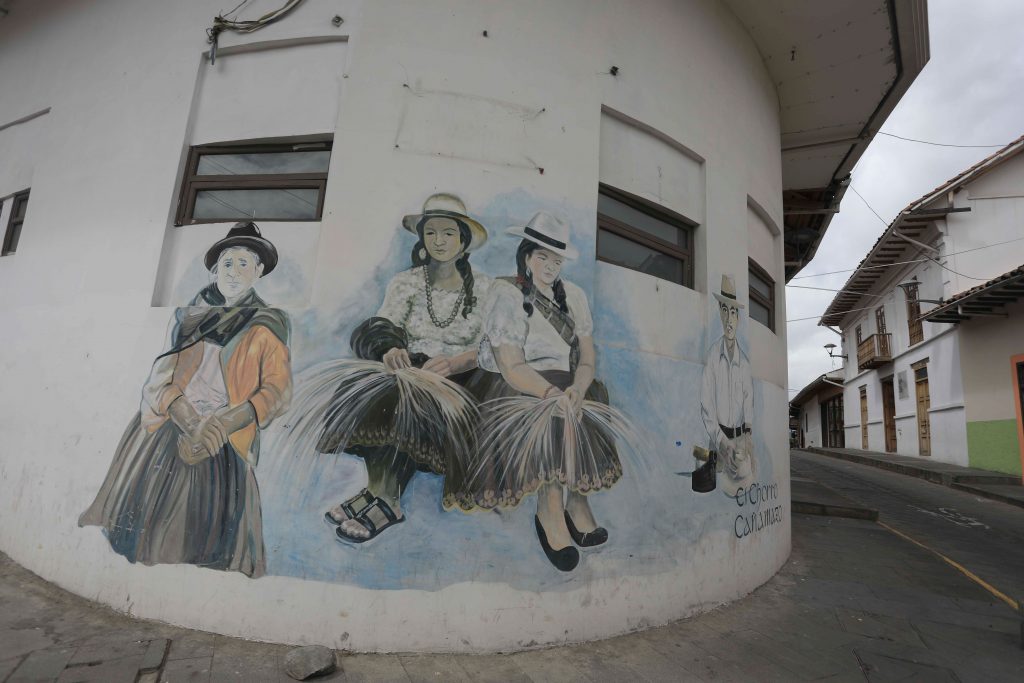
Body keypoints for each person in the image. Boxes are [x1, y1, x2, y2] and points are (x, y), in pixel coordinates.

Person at [80, 222, 291, 578]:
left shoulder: (268, 325)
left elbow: (276, 392)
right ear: (214, 270)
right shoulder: (187, 317)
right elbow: (160, 379)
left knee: (210, 533)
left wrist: (220, 426)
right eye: (227, 263)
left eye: (244, 264)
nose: (234, 272)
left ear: (258, 272)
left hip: (224, 440)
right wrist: (191, 423)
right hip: (173, 427)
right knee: (148, 524)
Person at [452, 212, 623, 572]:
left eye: (555, 259)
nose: (549, 265)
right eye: (541, 256)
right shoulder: (507, 293)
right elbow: (512, 365)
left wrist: (578, 386)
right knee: (552, 417)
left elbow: (587, 356)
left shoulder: (573, 296)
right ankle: (550, 510)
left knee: (594, 398)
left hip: (566, 381)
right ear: (526, 256)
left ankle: (577, 502)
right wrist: (551, 394)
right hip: (520, 383)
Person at [318, 193, 492, 543]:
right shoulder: (408, 282)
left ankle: (388, 501)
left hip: (461, 379)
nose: (439, 241)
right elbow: (384, 323)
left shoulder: (487, 289)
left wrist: (460, 360)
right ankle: (377, 490)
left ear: (463, 241)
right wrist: (390, 348)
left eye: (448, 233)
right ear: (422, 239)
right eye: (431, 233)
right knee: (374, 392)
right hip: (411, 368)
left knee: (414, 403)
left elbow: (497, 344)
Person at [699, 274, 755, 496]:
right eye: (725, 310)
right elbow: (706, 406)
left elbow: (749, 401)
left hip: (741, 443)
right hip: (719, 442)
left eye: (733, 312)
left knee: (743, 486)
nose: (729, 318)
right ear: (720, 314)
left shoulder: (745, 364)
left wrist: (747, 437)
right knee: (719, 492)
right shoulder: (712, 357)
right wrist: (722, 442)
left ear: (738, 318)